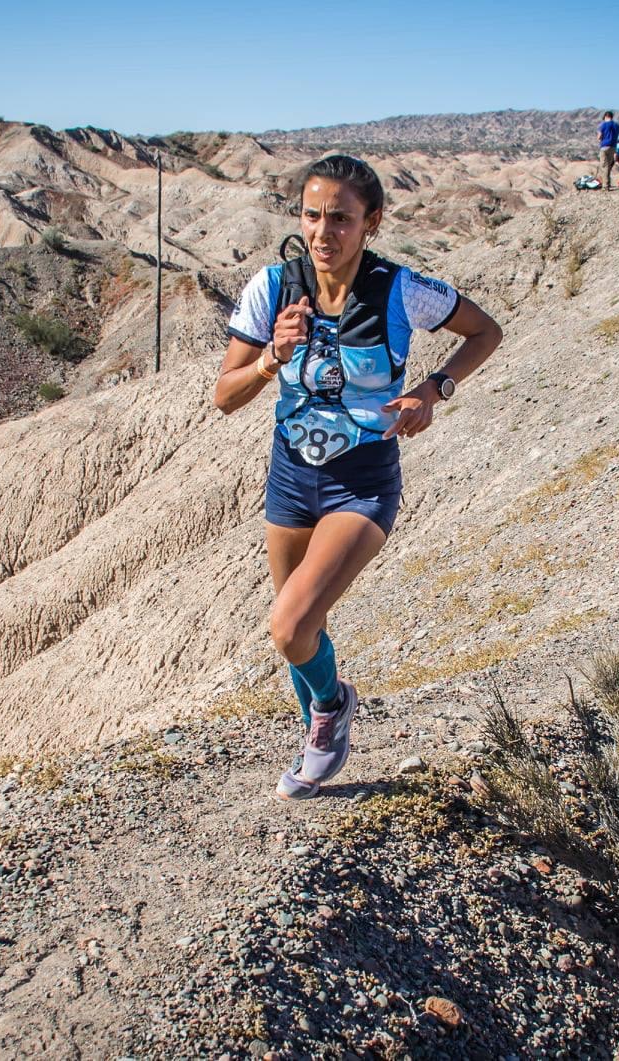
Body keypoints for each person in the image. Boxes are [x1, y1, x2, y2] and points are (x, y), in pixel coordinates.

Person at [214, 155, 503, 801]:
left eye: (341, 219)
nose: (323, 232)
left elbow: (486, 330)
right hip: (290, 478)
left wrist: (434, 388)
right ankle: (321, 718)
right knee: (301, 631)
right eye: (312, 215)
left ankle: (329, 713)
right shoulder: (272, 289)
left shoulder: (401, 289)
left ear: (371, 222)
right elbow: (224, 396)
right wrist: (269, 359)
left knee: (289, 625)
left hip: (363, 481)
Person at [598, 111, 619, 190]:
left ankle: (605, 185)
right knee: (608, 166)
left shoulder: (603, 125)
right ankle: (608, 183)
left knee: (604, 166)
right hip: (613, 147)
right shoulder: (617, 126)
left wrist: (600, 139)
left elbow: (599, 136)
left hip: (604, 146)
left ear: (605, 116)